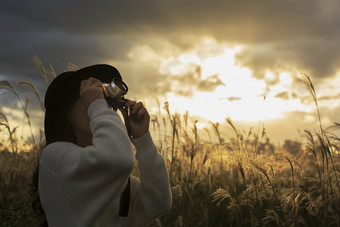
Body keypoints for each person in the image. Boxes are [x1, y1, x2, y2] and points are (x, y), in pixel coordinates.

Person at [34, 64, 172, 226]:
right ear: (67, 113)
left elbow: (159, 202)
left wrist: (143, 139)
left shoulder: (115, 178)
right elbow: (118, 160)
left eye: (106, 102)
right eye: (89, 99)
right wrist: (98, 104)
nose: (101, 105)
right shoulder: (54, 157)